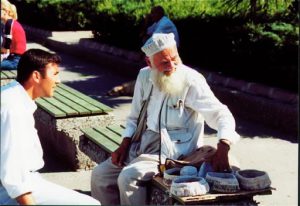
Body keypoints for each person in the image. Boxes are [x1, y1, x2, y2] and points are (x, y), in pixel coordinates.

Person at [91, 33, 240, 205]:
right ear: (149, 63)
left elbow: (221, 114)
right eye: (164, 62)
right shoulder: (144, 77)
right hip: (141, 145)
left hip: (175, 153)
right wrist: (124, 144)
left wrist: (224, 144)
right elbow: (134, 117)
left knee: (128, 178)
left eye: (174, 58)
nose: (171, 66)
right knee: (100, 175)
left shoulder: (191, 80)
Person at [0, 49, 100, 205]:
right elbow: (12, 171)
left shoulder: (12, 96)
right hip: (10, 189)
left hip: (24, 181)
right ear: (36, 76)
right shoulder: (13, 108)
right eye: (55, 74)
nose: (59, 81)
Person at [1, 0, 26, 70]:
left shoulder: (9, 24)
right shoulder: (10, 23)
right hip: (14, 58)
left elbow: (6, 49)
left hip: (15, 61)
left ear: (6, 11)